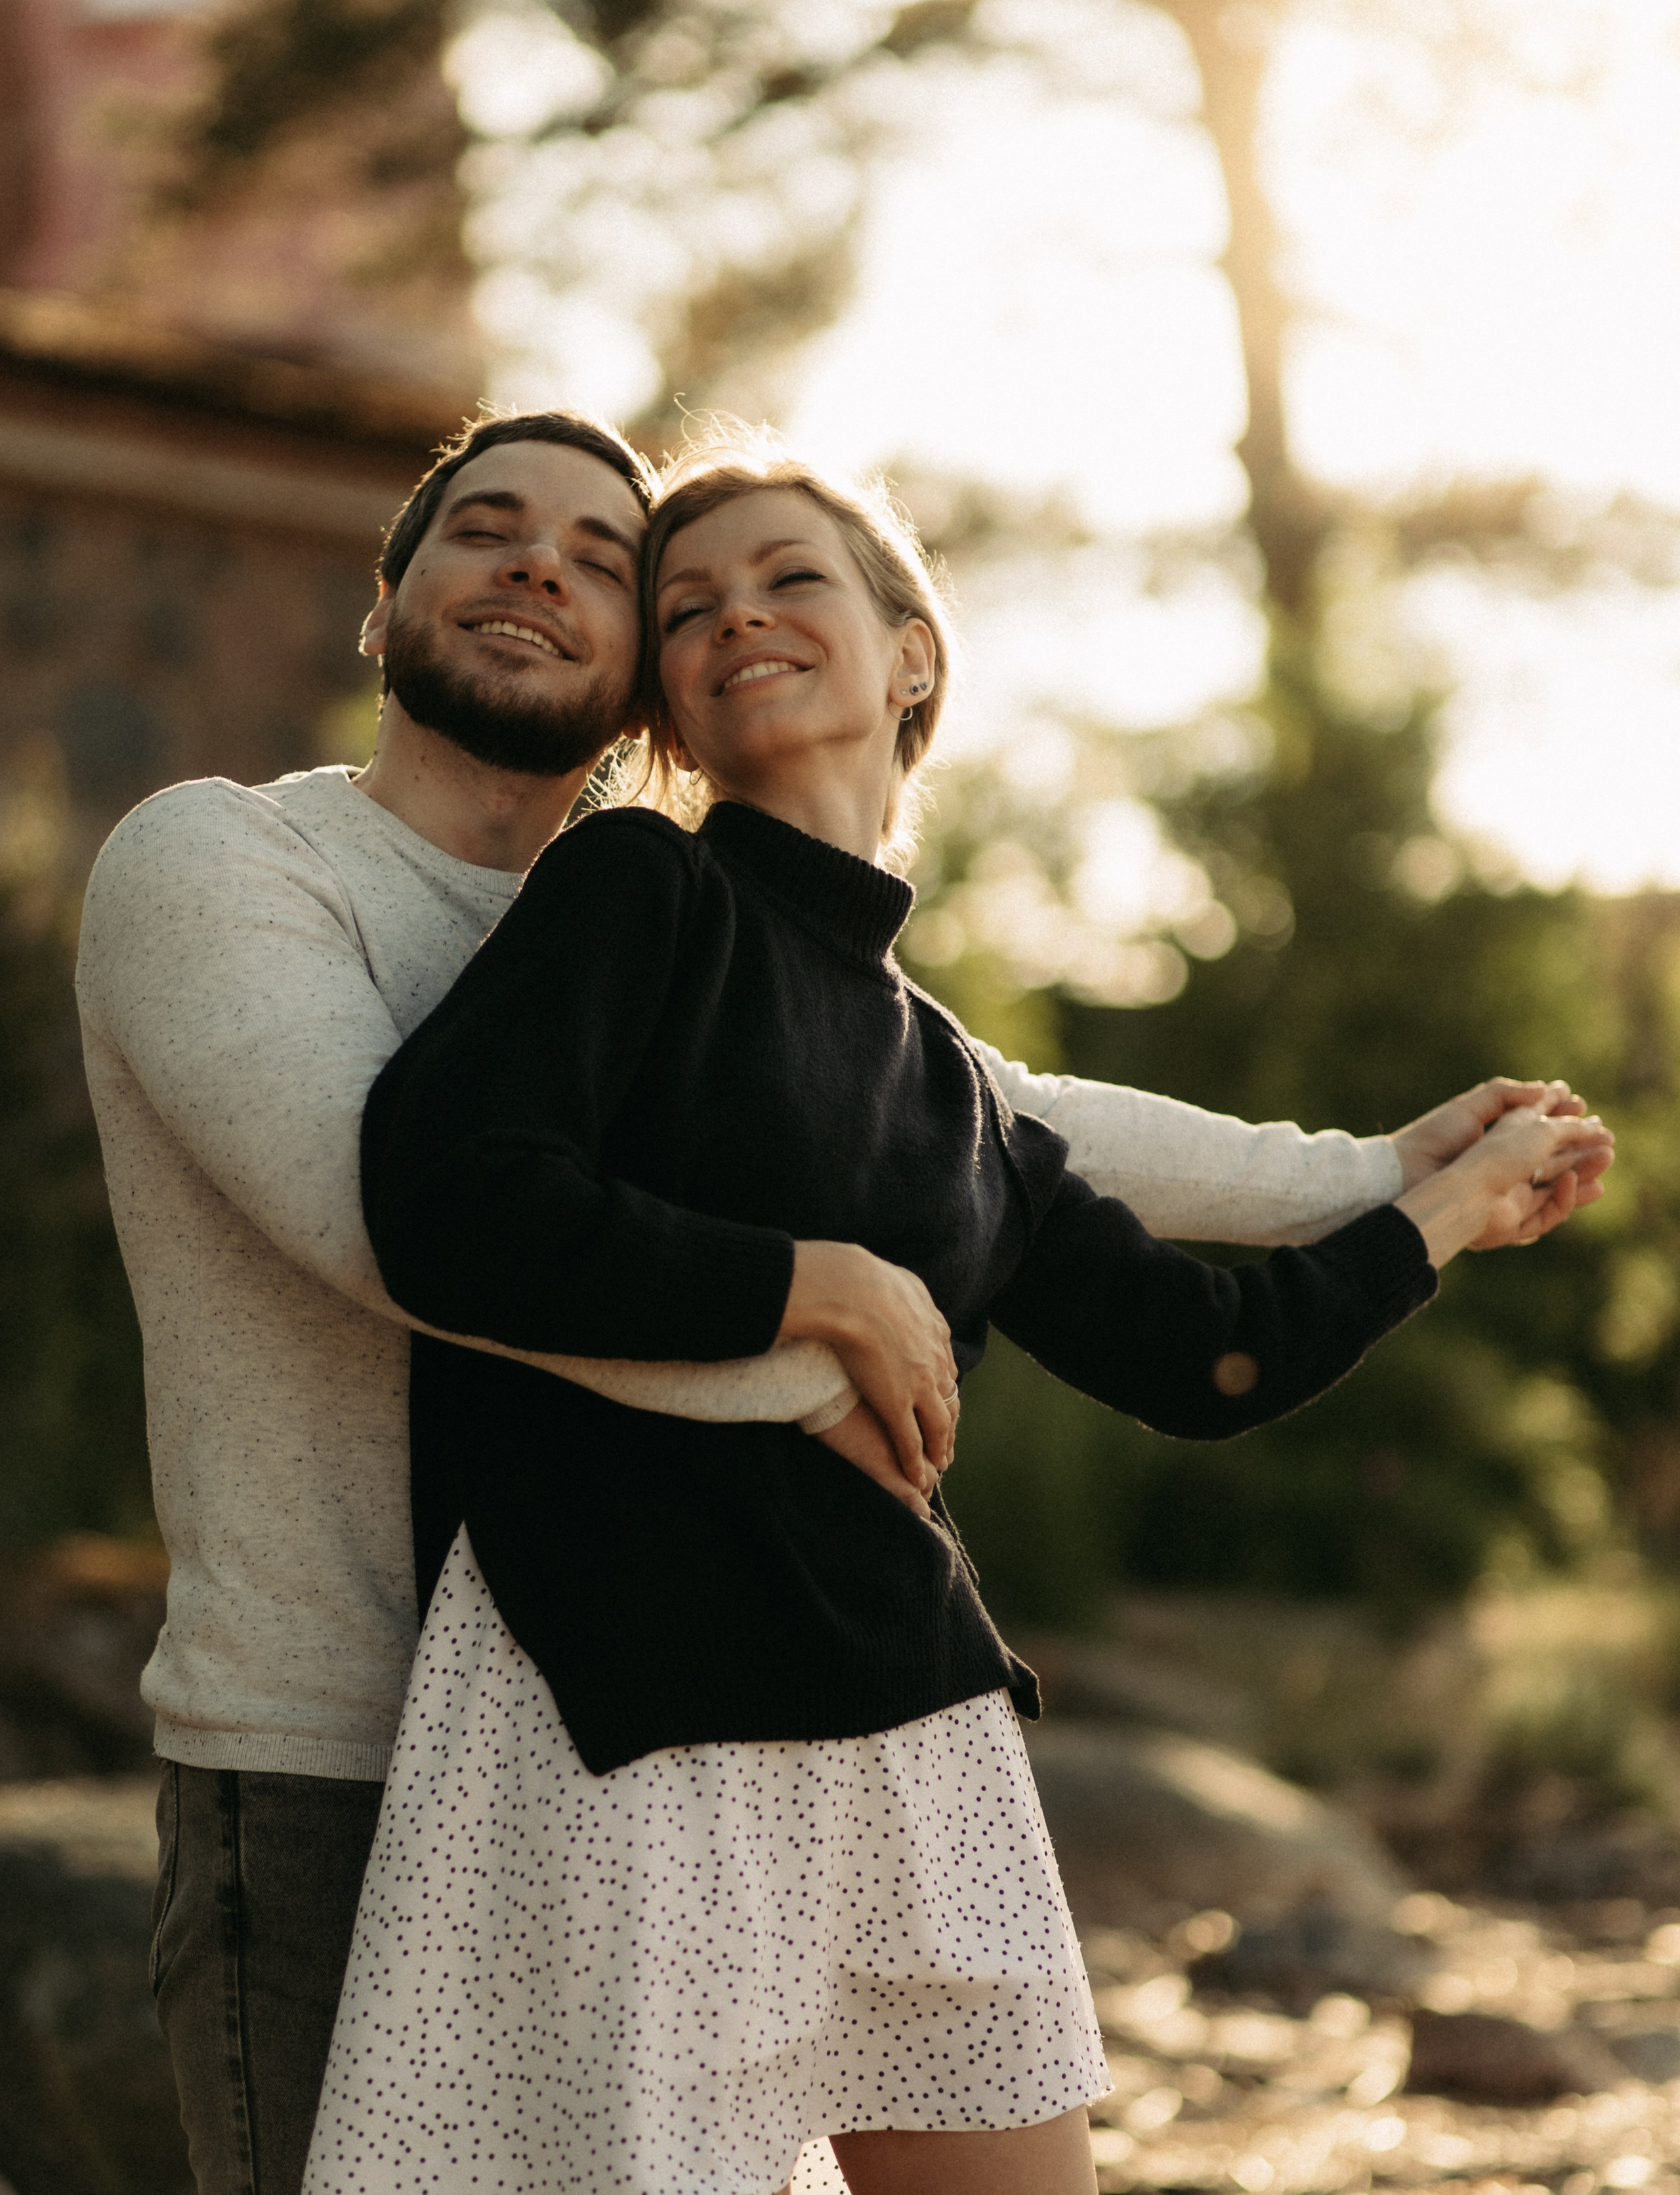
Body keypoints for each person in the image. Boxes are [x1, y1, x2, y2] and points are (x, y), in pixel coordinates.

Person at [75, 407, 1606, 2195]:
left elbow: (1062, 1189)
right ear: (386, 600)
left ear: (906, 655)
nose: (546, 573)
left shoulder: (869, 1023)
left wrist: (1395, 1184)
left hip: (879, 1714)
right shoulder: (314, 870)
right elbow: (414, 1220)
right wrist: (828, 1324)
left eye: (604, 560)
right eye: (491, 530)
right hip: (439, 1730)